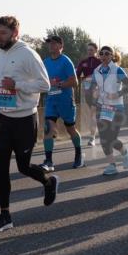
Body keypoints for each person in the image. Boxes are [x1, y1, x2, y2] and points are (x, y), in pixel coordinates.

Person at [0, 16, 58, 233]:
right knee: (1, 168)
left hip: (25, 119)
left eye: (3, 33)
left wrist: (16, 85)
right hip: (4, 117)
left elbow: (44, 84)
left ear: (15, 33)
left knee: (23, 166)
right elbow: (5, 85)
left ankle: (48, 182)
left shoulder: (28, 54)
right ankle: (5, 214)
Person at [41, 35, 84, 171]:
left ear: (61, 46)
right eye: (49, 44)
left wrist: (59, 84)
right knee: (48, 129)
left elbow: (75, 82)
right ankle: (49, 161)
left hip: (65, 101)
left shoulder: (66, 61)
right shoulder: (45, 62)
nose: (51, 46)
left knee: (70, 129)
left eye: (54, 43)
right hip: (51, 101)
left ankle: (79, 154)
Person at [90, 46, 128, 176]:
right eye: (101, 53)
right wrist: (94, 92)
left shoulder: (117, 70)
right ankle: (112, 165)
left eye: (107, 54)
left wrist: (118, 94)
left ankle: (125, 152)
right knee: (104, 138)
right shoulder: (96, 71)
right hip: (102, 107)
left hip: (116, 108)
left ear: (112, 56)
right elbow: (93, 86)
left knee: (111, 138)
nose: (104, 56)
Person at [75, 42, 100, 147]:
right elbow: (76, 75)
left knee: (94, 113)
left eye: (91, 50)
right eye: (88, 50)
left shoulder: (99, 61)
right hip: (87, 91)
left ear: (96, 50)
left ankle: (92, 137)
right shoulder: (83, 62)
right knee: (93, 113)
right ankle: (94, 134)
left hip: (99, 91)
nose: (89, 51)